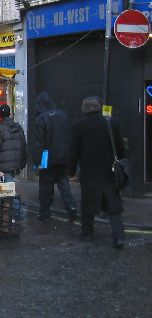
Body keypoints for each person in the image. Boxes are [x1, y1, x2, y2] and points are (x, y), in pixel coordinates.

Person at [68, 97, 126, 249]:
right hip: (109, 171)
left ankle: (87, 232)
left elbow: (73, 151)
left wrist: (71, 171)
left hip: (89, 171)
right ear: (98, 107)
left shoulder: (78, 125)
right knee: (113, 204)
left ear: (84, 108)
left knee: (88, 202)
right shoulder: (111, 123)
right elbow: (121, 149)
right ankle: (119, 236)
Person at [33, 91, 77, 222]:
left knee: (46, 187)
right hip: (63, 157)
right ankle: (71, 207)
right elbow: (69, 136)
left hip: (47, 159)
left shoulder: (40, 119)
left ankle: (44, 213)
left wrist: (38, 161)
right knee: (64, 184)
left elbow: (39, 142)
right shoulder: (63, 115)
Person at [0, 104, 27, 182]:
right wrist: (22, 163)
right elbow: (23, 146)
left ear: (0, 115)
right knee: (9, 182)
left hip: (3, 164)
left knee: (7, 186)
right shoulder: (18, 127)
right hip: (17, 161)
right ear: (9, 114)